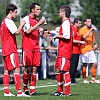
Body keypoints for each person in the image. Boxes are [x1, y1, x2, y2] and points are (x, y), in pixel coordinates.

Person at [0, 4, 30, 97]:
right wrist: (21, 24)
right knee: (16, 69)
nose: (16, 14)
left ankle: (6, 92)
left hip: (5, 49)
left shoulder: (3, 22)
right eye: (15, 12)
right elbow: (16, 32)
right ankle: (19, 93)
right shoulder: (9, 21)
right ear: (10, 11)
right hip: (11, 49)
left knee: (7, 71)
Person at [21, 3, 45, 95]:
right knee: (28, 69)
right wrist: (39, 24)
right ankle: (25, 88)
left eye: (40, 9)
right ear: (32, 10)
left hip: (36, 48)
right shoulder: (26, 19)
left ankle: (32, 90)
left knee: (34, 69)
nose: (40, 11)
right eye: (38, 9)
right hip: (27, 47)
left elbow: (36, 33)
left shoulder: (37, 20)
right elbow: (27, 31)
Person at [51, 5, 73, 96]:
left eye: (60, 11)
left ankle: (67, 93)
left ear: (63, 12)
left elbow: (67, 36)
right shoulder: (65, 23)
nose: (58, 13)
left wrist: (56, 36)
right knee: (59, 70)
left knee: (64, 71)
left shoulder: (66, 23)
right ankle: (60, 91)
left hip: (65, 50)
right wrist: (54, 34)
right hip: (62, 50)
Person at [79, 18, 100, 83]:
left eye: (90, 21)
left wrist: (95, 44)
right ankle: (85, 79)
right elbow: (84, 37)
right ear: (85, 22)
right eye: (88, 21)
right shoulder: (82, 29)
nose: (90, 23)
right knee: (85, 64)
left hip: (90, 49)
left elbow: (93, 39)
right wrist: (91, 30)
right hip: (84, 49)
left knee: (95, 64)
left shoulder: (91, 31)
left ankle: (93, 79)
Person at [69, 18, 86, 84]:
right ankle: (71, 79)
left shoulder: (77, 30)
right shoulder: (73, 29)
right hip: (73, 50)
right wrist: (80, 42)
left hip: (77, 50)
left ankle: (72, 78)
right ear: (75, 23)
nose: (80, 24)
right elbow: (72, 40)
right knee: (73, 65)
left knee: (75, 65)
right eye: (79, 23)